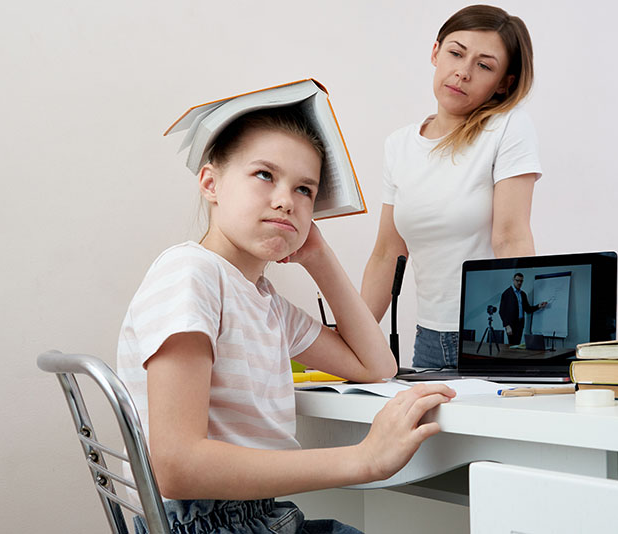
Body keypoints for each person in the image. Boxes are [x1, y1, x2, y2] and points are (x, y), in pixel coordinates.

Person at [117, 107, 455, 534]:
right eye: (264, 175)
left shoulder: (264, 300)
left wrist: (318, 255)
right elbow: (176, 467)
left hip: (253, 517)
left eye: (304, 191)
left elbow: (377, 366)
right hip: (209, 523)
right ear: (211, 183)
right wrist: (362, 460)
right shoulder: (191, 275)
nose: (285, 200)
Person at [361, 4, 542, 370]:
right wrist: (354, 338)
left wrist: (522, 342)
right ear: (435, 52)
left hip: (488, 336)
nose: (463, 72)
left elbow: (510, 237)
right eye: (456, 53)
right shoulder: (399, 145)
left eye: (484, 65)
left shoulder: (508, 128)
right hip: (428, 340)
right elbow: (387, 253)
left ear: (504, 82)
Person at [498, 272, 547, 345]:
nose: (519, 283)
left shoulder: (523, 294)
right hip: (511, 325)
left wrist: (538, 306)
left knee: (517, 345)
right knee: (512, 346)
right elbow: (501, 311)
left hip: (520, 324)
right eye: (517, 280)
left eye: (521, 281)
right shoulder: (507, 293)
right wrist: (507, 325)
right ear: (513, 280)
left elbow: (527, 309)